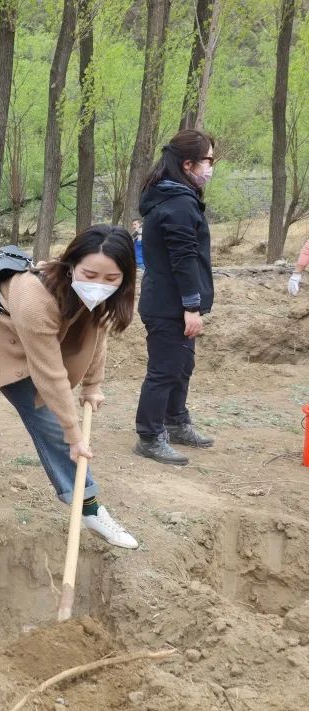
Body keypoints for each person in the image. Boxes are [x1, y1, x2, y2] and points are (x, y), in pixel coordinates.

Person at [0, 225, 140, 573]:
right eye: (90, 274)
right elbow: (50, 374)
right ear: (71, 266)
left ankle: (90, 509)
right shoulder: (35, 298)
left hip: (22, 354)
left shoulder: (101, 296)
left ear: (124, 278)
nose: (99, 284)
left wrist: (92, 385)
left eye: (111, 278)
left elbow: (95, 334)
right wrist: (75, 435)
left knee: (52, 430)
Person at [133, 130, 216, 466]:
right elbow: (183, 259)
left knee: (182, 366)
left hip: (172, 302)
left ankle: (175, 420)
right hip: (169, 305)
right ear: (187, 164)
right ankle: (150, 436)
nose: (211, 167)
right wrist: (191, 306)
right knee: (164, 370)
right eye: (208, 160)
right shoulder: (178, 204)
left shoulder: (177, 198)